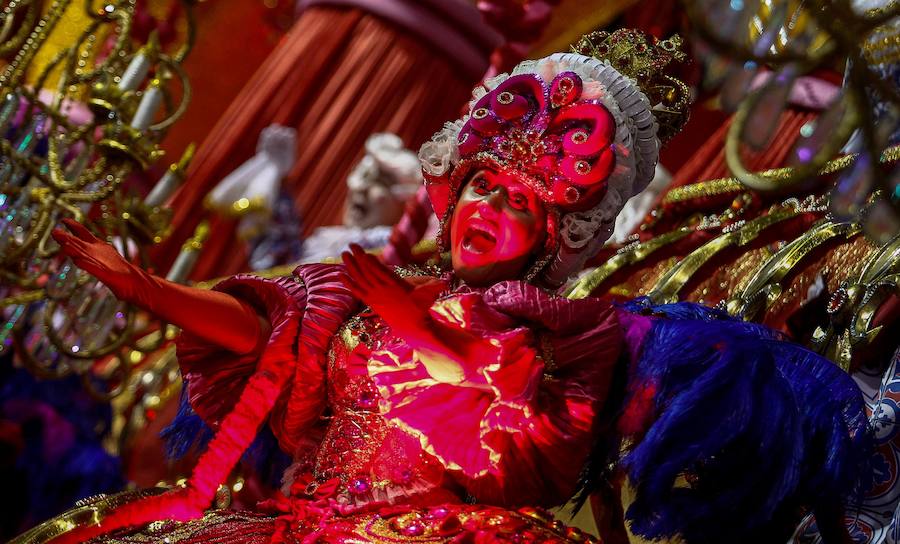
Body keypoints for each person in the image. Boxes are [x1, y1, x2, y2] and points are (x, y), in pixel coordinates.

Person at [38, 30, 868, 544]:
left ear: (558, 232)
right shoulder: (371, 287)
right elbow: (267, 330)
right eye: (482, 186)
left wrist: (434, 338)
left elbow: (534, 439)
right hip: (295, 519)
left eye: (518, 203)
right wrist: (145, 286)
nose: (488, 208)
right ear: (451, 185)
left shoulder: (564, 333)